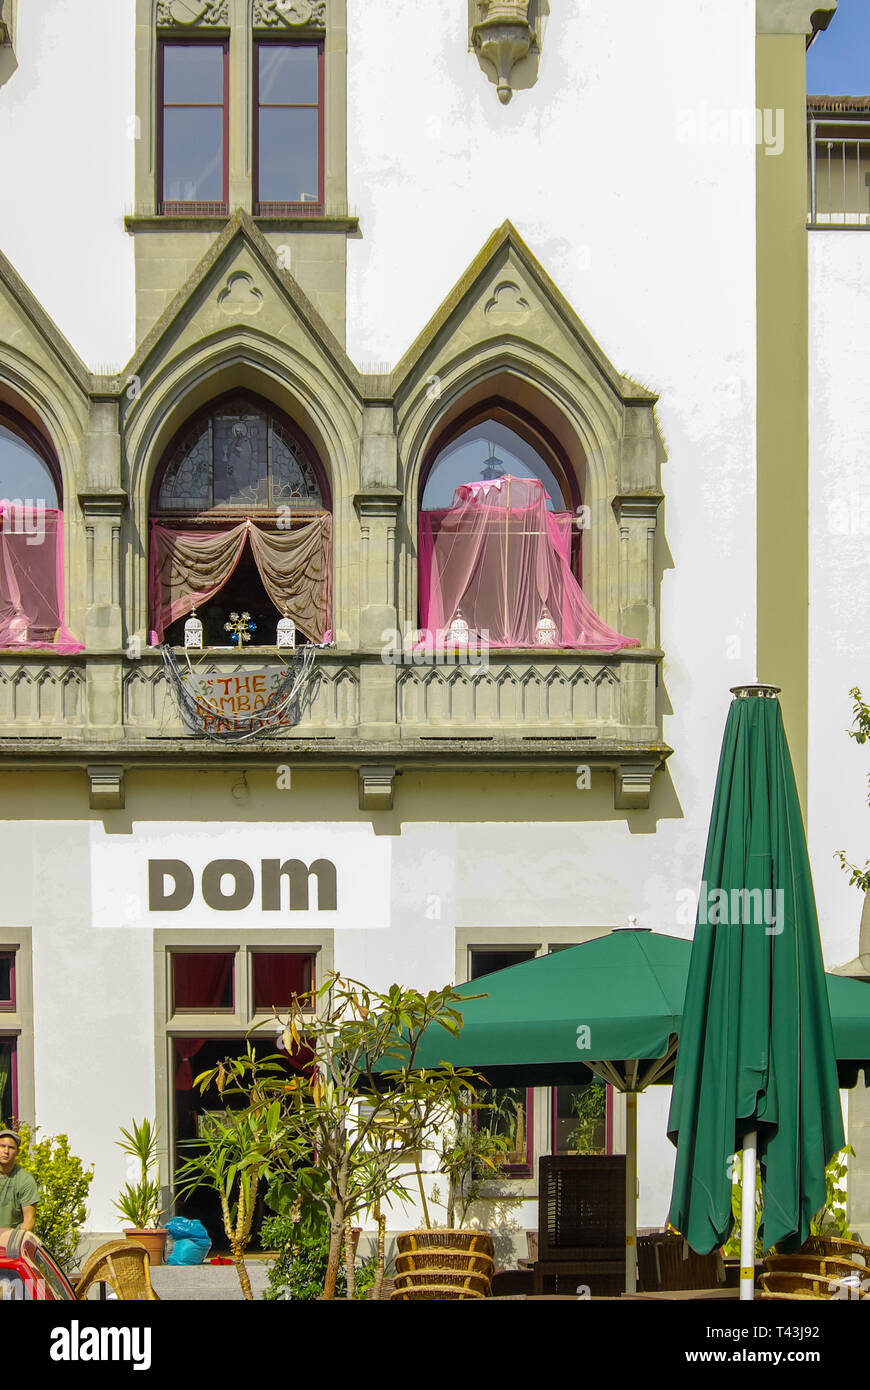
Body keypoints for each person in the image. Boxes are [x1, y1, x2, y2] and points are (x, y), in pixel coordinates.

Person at [0, 1130, 38, 1232]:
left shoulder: (25, 1180)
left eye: (11, 1148)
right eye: (2, 1146)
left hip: (10, 1242)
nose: (6, 1151)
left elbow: (29, 1221)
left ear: (17, 1152)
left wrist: (13, 1243)